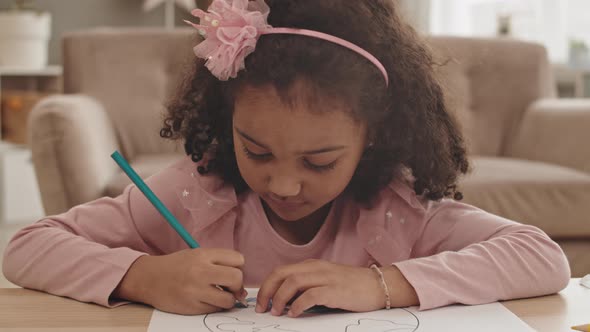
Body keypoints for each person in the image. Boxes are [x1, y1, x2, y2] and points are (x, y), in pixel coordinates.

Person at [3, 0, 570, 318]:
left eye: (319, 161)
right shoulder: (195, 193)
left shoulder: (396, 209)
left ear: (372, 138)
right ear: (227, 125)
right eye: (257, 150)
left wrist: (381, 285)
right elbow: (26, 248)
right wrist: (142, 275)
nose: (284, 183)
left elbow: (540, 258)